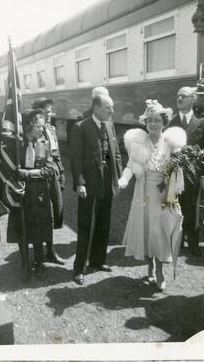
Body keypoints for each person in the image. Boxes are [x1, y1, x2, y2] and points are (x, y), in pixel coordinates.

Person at [118, 100, 186, 290]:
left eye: (157, 120)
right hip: (144, 194)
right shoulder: (138, 143)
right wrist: (124, 180)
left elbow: (177, 170)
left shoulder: (172, 143)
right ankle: (149, 267)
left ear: (164, 122)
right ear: (145, 123)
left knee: (160, 233)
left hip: (164, 195)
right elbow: (130, 166)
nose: (154, 124)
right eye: (150, 121)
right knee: (146, 231)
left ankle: (159, 271)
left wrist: (171, 182)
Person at [70, 94, 122, 285]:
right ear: (97, 108)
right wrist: (79, 182)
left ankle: (97, 261)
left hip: (107, 185)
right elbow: (75, 158)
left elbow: (115, 153)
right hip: (89, 186)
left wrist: (119, 176)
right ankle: (79, 268)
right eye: (109, 107)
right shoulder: (81, 127)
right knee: (86, 227)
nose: (112, 111)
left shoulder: (109, 124)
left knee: (103, 224)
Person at [7, 108, 55, 278]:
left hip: (39, 195)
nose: (42, 130)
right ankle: (26, 264)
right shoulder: (16, 145)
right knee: (22, 229)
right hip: (21, 195)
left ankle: (40, 264)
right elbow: (9, 169)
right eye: (39, 126)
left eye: (43, 126)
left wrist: (28, 173)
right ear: (28, 125)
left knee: (39, 230)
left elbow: (50, 169)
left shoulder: (43, 143)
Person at [168, 86, 204, 256]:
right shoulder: (170, 123)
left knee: (191, 209)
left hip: (193, 176)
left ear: (193, 99)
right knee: (172, 207)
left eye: (183, 96)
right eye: (178, 96)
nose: (179, 99)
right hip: (173, 174)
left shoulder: (202, 123)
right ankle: (174, 242)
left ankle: (193, 244)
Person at [32, 97, 65, 265]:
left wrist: (62, 172)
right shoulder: (36, 132)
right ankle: (42, 254)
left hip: (54, 174)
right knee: (43, 214)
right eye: (46, 111)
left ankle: (51, 250)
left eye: (51, 110)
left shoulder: (51, 128)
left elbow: (56, 152)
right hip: (41, 176)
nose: (50, 114)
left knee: (55, 212)